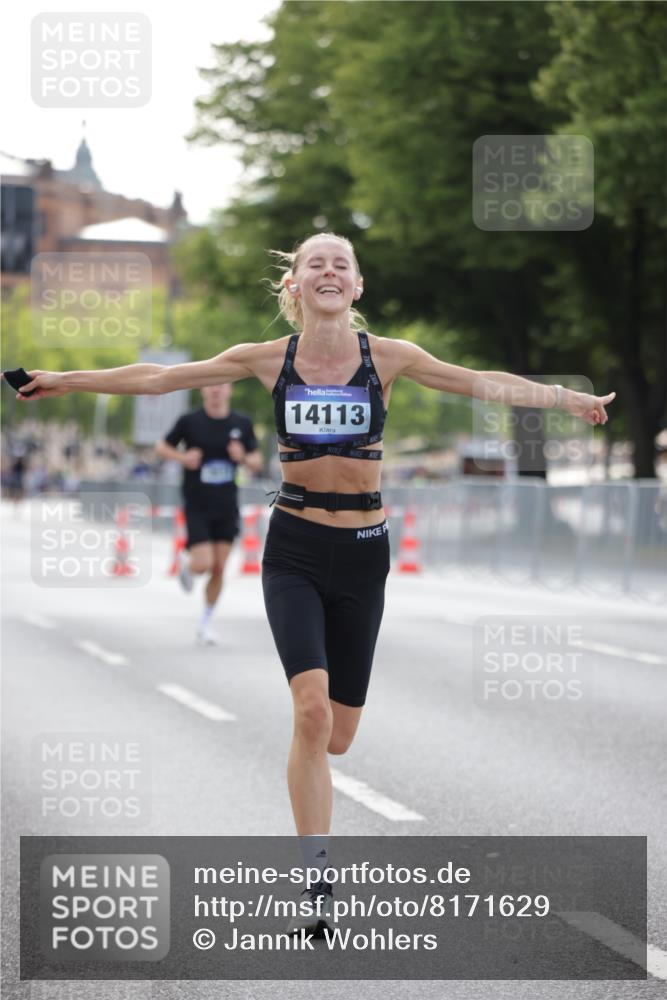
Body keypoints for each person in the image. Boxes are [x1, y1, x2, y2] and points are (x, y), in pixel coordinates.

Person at [5, 231, 616, 934]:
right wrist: (66, 379)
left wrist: (564, 399)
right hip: (294, 547)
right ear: (294, 285)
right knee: (311, 714)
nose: (328, 270)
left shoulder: (390, 357)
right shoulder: (269, 359)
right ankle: (316, 880)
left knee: (339, 736)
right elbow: (157, 378)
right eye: (314, 263)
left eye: (340, 263)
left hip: (364, 551)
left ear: (356, 285)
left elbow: (480, 381)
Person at [155, 383, 262, 645]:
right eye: (211, 385)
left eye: (221, 385)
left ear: (230, 390)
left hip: (227, 505)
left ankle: (206, 621)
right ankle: (188, 566)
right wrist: (183, 458)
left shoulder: (242, 423)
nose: (216, 390)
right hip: (197, 504)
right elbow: (161, 447)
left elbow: (257, 461)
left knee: (219, 568)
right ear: (203, 390)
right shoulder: (190, 421)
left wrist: (242, 457)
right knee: (203, 563)